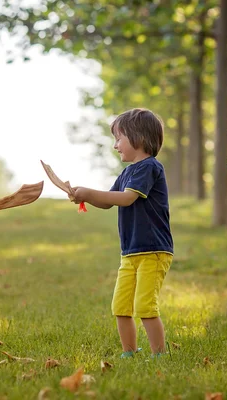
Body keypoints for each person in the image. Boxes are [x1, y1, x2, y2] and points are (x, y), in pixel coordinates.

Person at [71, 108, 174, 358]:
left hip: (152, 250)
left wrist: (89, 193)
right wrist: (84, 195)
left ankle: (160, 355)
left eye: (119, 139)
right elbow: (108, 201)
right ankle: (129, 352)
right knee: (121, 305)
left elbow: (126, 199)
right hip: (130, 251)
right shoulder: (127, 172)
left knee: (145, 306)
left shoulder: (150, 167)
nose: (116, 146)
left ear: (137, 138)